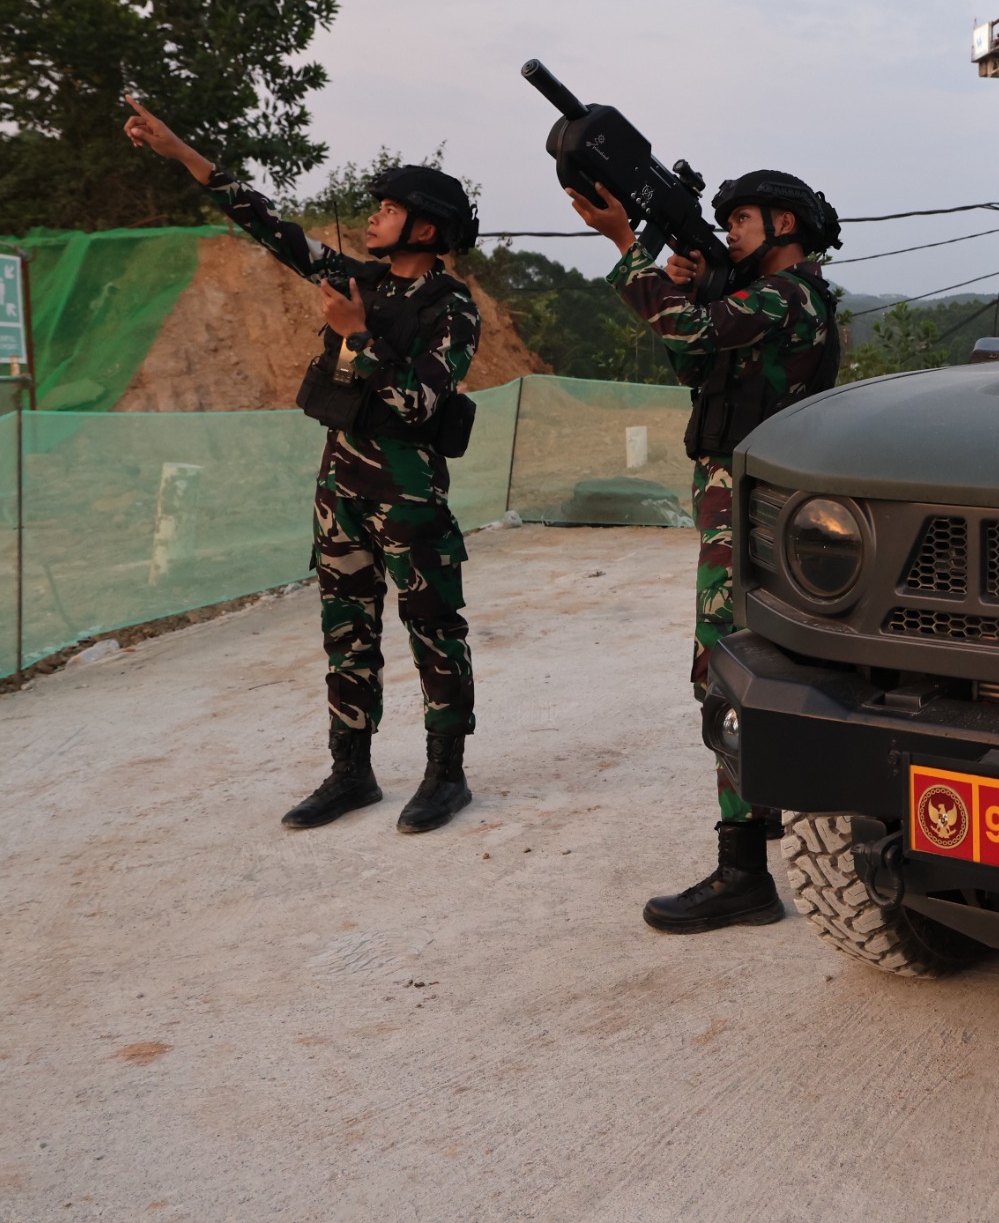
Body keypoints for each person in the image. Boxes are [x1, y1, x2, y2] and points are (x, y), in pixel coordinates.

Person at [121, 97, 485, 834]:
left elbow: (418, 405)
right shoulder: (361, 281)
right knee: (345, 628)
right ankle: (350, 772)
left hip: (406, 492)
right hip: (340, 486)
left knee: (432, 627)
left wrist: (358, 339)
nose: (373, 216)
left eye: (388, 208)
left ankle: (446, 776)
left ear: (424, 227)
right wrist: (180, 150)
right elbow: (269, 225)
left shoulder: (454, 308)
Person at [566, 168, 842, 933]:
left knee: (728, 676)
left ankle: (743, 872)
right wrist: (691, 284)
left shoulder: (792, 295)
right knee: (734, 679)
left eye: (742, 220)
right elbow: (693, 360)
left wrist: (628, 247)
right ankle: (752, 851)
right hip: (738, 513)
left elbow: (686, 332)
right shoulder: (753, 301)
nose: (730, 234)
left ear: (785, 225)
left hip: (752, 521)